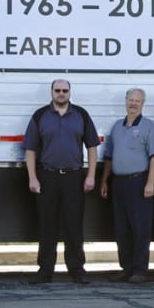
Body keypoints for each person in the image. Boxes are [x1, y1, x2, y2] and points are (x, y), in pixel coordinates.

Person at [23, 79, 100, 284]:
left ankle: (77, 269)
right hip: (47, 176)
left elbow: (92, 147)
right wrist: (33, 178)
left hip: (74, 177)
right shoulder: (40, 116)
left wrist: (91, 175)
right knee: (47, 225)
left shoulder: (81, 115)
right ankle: (45, 270)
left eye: (65, 90)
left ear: (70, 93)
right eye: (57, 90)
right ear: (51, 92)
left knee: (73, 225)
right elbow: (30, 149)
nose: (61, 93)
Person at [99, 88, 154, 284]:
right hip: (119, 184)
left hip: (139, 182)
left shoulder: (149, 127)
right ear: (125, 101)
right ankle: (126, 268)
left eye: (137, 101)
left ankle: (140, 270)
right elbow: (109, 157)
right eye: (131, 100)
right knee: (122, 228)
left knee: (140, 228)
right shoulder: (117, 127)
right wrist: (104, 180)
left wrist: (150, 182)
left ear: (143, 103)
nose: (133, 103)